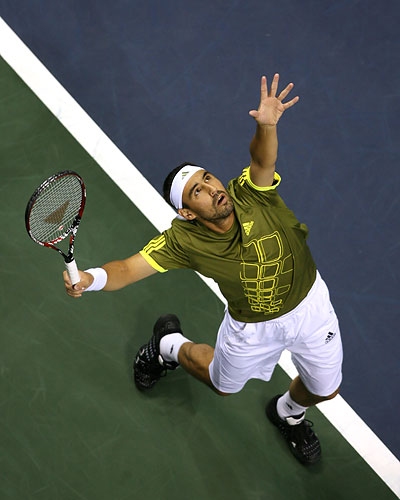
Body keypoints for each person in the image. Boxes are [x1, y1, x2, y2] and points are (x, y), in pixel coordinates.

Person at [64, 74, 343, 465]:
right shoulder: (183, 241)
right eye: (199, 191)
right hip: (252, 328)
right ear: (187, 212)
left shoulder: (251, 194)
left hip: (310, 308)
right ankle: (168, 345)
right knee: (222, 384)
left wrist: (266, 126)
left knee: (325, 389)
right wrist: (89, 279)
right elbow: (128, 268)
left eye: (208, 179)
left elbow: (262, 160)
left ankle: (288, 412)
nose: (214, 190)